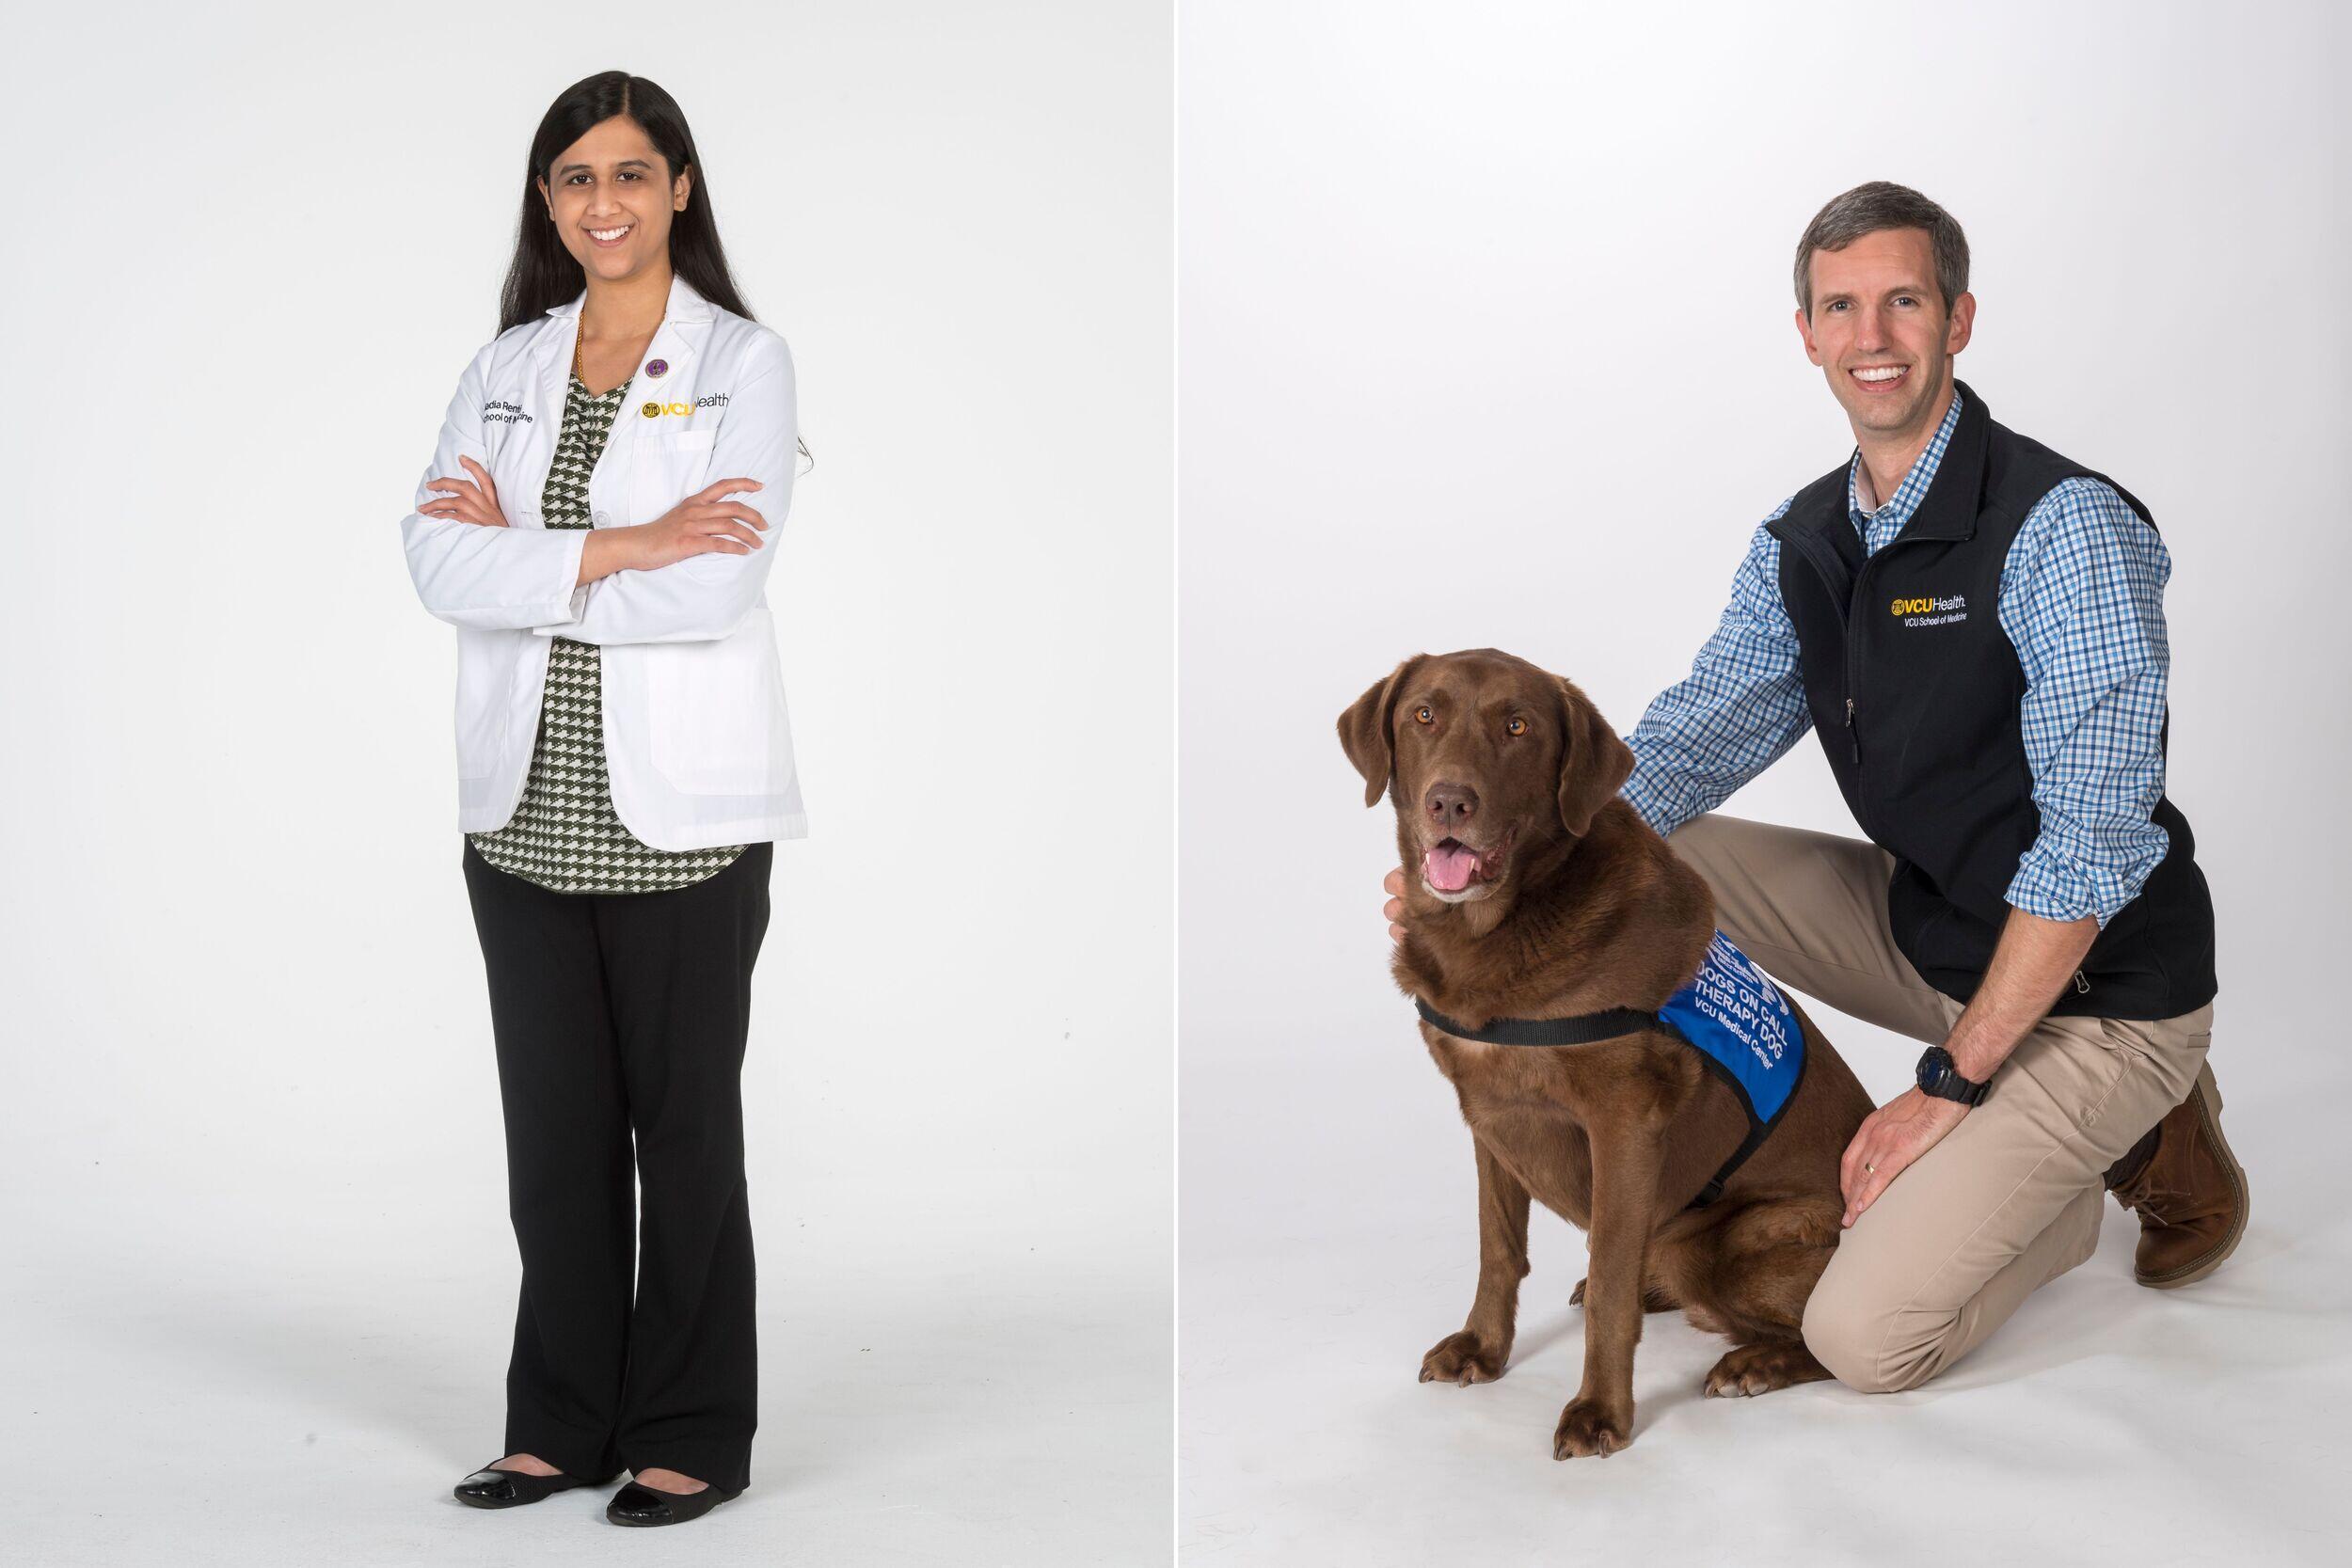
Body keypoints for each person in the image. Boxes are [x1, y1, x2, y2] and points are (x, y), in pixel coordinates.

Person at [1383, 181, 2245, 1395]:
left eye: (1903, 301)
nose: (1872, 337)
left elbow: (2090, 853)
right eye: (1841, 306)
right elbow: (1679, 755)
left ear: (1959, 319)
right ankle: (1735, 1153)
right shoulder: (1810, 544)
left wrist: (1951, 1085)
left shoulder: (2063, 530)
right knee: (1644, 866)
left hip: (2106, 987)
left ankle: (2124, 1145)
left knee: (1861, 1339)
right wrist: (1474, 875)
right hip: (1941, 932)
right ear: (1807, 334)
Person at [397, 71, 804, 1526]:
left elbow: (720, 582)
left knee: (684, 1132)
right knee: (555, 1136)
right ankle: (558, 1423)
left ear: (680, 186)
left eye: (630, 173)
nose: (602, 203)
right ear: (548, 201)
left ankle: (692, 1426)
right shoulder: (507, 363)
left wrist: (541, 556)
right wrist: (623, 542)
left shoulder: (744, 362)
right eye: (573, 177)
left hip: (681, 819)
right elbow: (437, 564)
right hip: (522, 814)